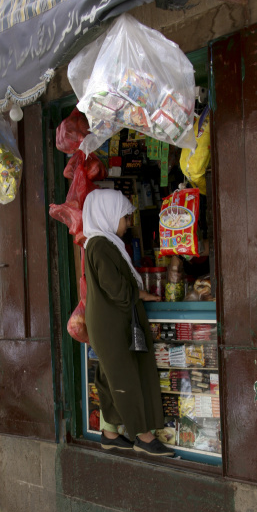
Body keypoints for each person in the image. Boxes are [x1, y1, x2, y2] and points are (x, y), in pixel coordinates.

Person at [83, 188, 174, 457]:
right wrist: (142, 294)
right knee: (126, 380)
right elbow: (117, 289)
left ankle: (110, 434)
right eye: (124, 217)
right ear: (108, 216)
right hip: (111, 327)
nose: (127, 224)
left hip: (110, 323)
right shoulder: (99, 245)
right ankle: (144, 438)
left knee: (109, 379)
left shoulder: (102, 243)